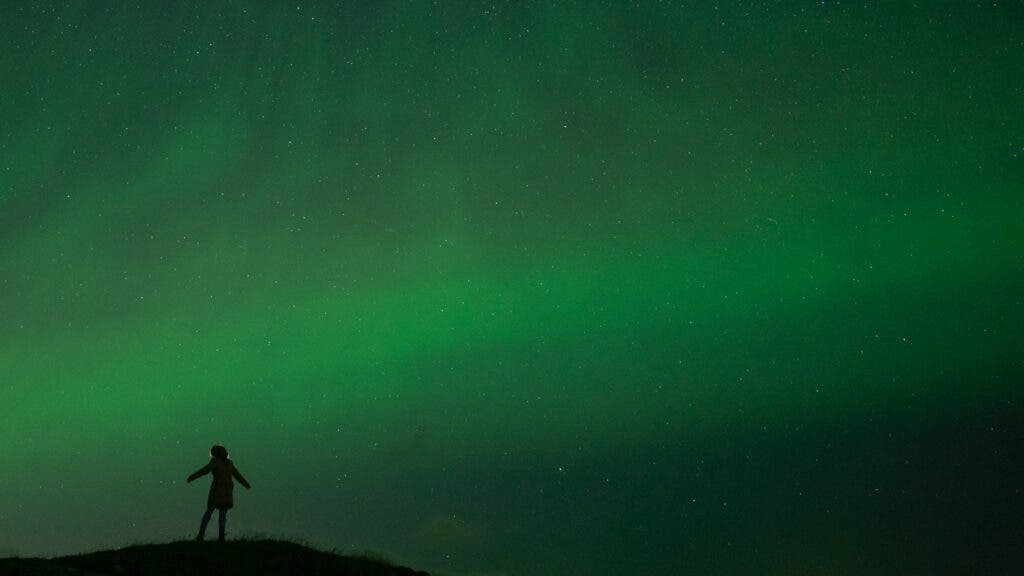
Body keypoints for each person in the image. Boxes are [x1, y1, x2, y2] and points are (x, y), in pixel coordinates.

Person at [187, 444, 251, 541]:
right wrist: (246, 484)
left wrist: (192, 477)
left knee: (213, 514)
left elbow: (206, 470)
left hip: (221, 491)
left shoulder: (222, 462)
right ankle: (215, 536)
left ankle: (206, 536)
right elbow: (237, 476)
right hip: (223, 491)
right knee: (218, 514)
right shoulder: (223, 463)